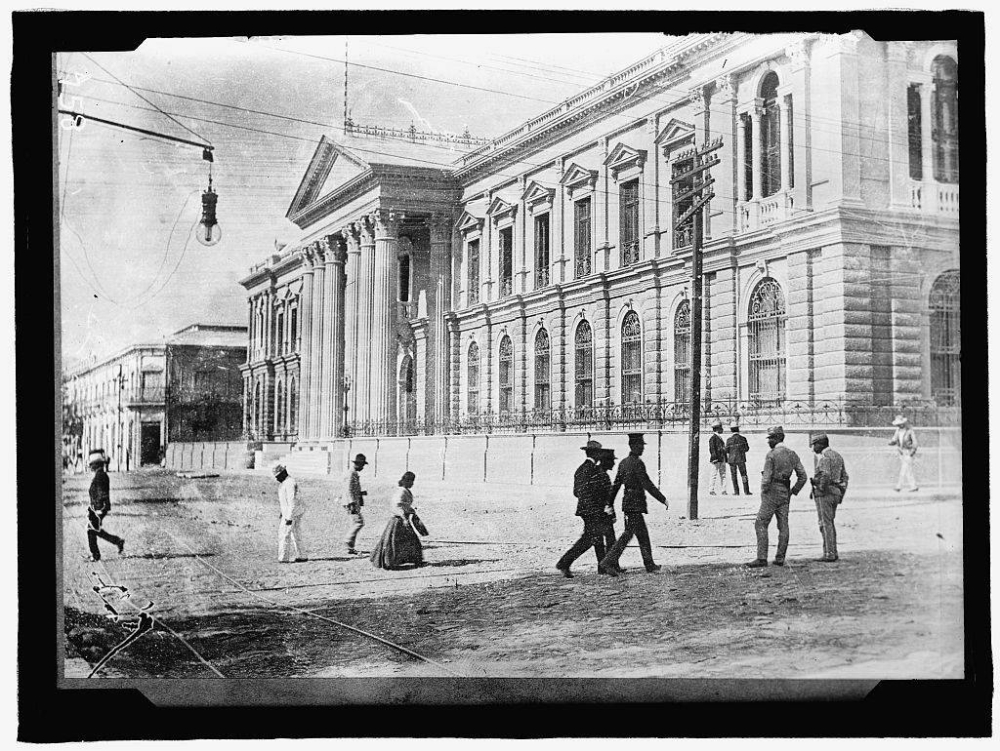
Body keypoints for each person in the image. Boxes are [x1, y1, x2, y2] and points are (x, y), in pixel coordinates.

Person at [598, 433, 668, 576]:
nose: (642, 448)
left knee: (641, 535)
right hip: (635, 504)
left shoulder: (623, 462)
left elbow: (616, 485)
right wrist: (662, 499)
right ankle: (608, 561)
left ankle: (649, 564)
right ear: (633, 446)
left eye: (642, 445)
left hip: (628, 504)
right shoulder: (637, 463)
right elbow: (647, 483)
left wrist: (609, 503)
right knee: (629, 535)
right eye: (639, 445)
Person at [745, 426, 807, 568]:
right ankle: (780, 557)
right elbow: (802, 476)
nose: (769, 441)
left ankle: (761, 558)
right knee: (783, 525)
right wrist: (793, 491)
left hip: (771, 491)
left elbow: (766, 478)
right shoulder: (792, 454)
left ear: (778, 438)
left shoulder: (771, 455)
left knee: (760, 523)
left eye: (771, 438)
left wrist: (764, 491)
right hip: (785, 492)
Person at [555, 440, 618, 578]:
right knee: (589, 539)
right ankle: (564, 562)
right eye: (598, 453)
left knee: (595, 538)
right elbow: (595, 492)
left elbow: (576, 492)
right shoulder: (593, 470)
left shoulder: (580, 469)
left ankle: (602, 566)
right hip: (593, 510)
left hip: (585, 510)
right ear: (594, 454)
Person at [370, 471, 424, 569]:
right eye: (411, 481)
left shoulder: (404, 490)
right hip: (398, 520)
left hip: (402, 519)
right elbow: (397, 506)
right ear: (406, 481)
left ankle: (408, 560)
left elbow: (404, 505)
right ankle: (389, 562)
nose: (412, 483)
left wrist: (410, 511)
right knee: (393, 543)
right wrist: (404, 518)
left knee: (407, 542)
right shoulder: (401, 491)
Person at [810, 433, 849, 563]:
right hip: (836, 492)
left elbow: (825, 475)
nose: (813, 448)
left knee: (824, 524)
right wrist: (841, 493)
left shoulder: (824, 458)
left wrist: (820, 488)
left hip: (825, 494)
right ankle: (833, 551)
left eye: (814, 445)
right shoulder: (838, 456)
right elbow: (845, 477)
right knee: (830, 523)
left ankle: (829, 553)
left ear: (821, 444)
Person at [86, 449, 125, 562]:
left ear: (97, 464)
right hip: (96, 508)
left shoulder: (101, 476)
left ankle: (96, 555)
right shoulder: (99, 475)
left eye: (92, 464)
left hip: (99, 508)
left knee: (91, 530)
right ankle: (117, 541)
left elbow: (102, 493)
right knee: (94, 529)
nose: (90, 467)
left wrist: (99, 509)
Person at [274, 463, 307, 563]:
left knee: (284, 534)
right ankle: (302, 556)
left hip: (292, 513)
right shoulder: (286, 482)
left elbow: (292, 501)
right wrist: (282, 511)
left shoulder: (289, 483)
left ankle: (283, 558)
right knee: (296, 534)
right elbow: (285, 500)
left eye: (278, 476)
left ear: (283, 473)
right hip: (293, 512)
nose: (276, 479)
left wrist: (288, 517)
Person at [341, 453, 368, 554]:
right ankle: (348, 541)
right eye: (362, 465)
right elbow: (348, 489)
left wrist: (361, 493)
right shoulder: (351, 473)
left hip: (352, 501)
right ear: (358, 464)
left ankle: (350, 548)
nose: (363, 468)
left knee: (354, 523)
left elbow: (352, 488)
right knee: (359, 522)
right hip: (350, 503)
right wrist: (352, 503)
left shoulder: (353, 473)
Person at [889, 415, 919, 492]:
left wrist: (912, 452)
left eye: (900, 423)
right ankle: (914, 486)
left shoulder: (910, 431)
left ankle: (899, 486)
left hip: (909, 452)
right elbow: (894, 439)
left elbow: (915, 443)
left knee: (904, 469)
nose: (899, 425)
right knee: (908, 470)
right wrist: (892, 442)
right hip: (902, 452)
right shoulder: (898, 431)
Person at [726, 422, 751, 495]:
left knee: (734, 476)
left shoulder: (729, 440)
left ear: (731, 430)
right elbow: (746, 449)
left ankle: (736, 491)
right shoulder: (743, 438)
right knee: (744, 475)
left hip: (732, 460)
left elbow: (727, 450)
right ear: (738, 429)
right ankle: (746, 491)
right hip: (741, 459)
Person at [708, 419, 728, 495]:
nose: (722, 429)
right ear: (717, 429)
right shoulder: (713, 438)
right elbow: (712, 449)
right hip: (717, 459)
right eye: (720, 428)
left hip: (721, 459)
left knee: (722, 475)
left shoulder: (718, 438)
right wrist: (715, 458)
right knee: (714, 475)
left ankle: (723, 490)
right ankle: (711, 489)